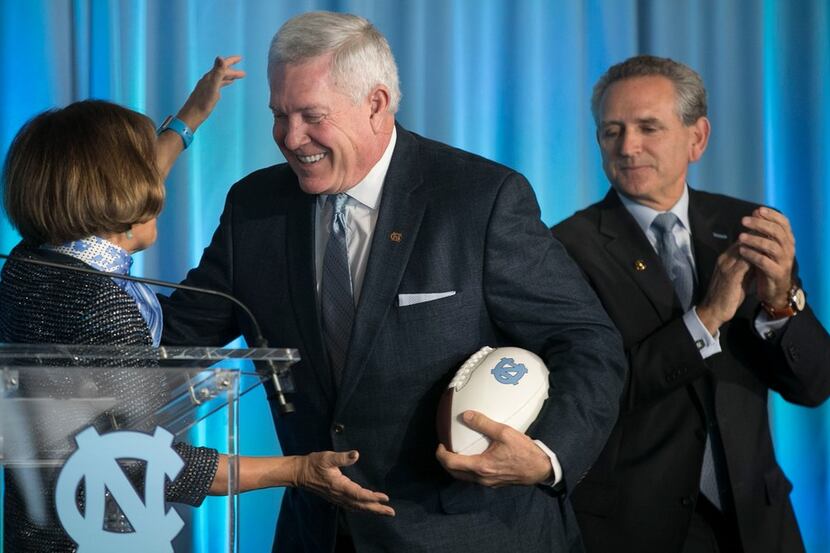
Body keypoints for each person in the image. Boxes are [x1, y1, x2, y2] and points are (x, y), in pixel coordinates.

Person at [160, 10, 626, 553]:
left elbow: (587, 340)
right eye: (279, 115)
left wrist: (546, 455)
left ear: (376, 104)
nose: (290, 138)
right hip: (321, 536)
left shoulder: (478, 199)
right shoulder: (254, 207)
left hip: (470, 534)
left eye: (312, 115)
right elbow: (174, 340)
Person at [0, 56, 388, 552]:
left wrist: (190, 118)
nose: (159, 190)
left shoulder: (30, 262)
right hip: (95, 537)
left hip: (32, 532)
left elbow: (107, 192)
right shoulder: (107, 309)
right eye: (146, 180)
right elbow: (140, 464)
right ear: (124, 196)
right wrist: (295, 470)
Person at [551, 55, 830, 553]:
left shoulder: (750, 227)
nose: (628, 146)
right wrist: (705, 319)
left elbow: (814, 386)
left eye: (648, 127)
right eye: (611, 131)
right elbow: (591, 398)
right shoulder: (565, 248)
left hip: (758, 525)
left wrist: (782, 303)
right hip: (633, 530)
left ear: (697, 138)